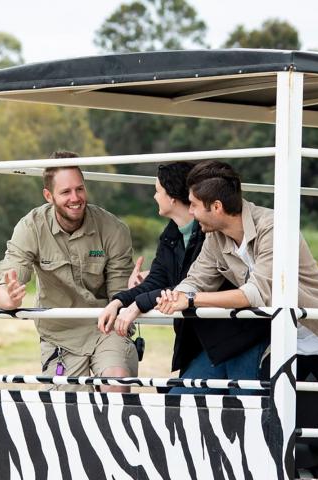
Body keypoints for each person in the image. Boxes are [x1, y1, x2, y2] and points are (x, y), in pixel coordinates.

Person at [155, 160, 318, 479]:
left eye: (194, 205)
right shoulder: (216, 237)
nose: (190, 212)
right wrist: (176, 295)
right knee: (265, 410)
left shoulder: (274, 227)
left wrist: (192, 300)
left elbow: (258, 293)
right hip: (282, 340)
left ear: (217, 206)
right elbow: (197, 279)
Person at [98, 163, 263, 391]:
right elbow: (176, 282)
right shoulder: (172, 234)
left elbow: (194, 288)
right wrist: (120, 301)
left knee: (246, 407)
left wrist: (140, 303)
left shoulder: (211, 231)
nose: (155, 196)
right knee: (179, 401)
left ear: (173, 197)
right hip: (204, 342)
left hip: (236, 336)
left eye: (157, 191)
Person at [0, 151, 137, 393]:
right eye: (66, 192)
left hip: (106, 326)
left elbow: (120, 295)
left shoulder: (113, 229)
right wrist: (9, 299)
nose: (75, 198)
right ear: (48, 195)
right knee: (68, 411)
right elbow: (6, 283)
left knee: (117, 383)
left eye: (79, 189)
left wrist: (135, 291)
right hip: (59, 334)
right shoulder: (30, 227)